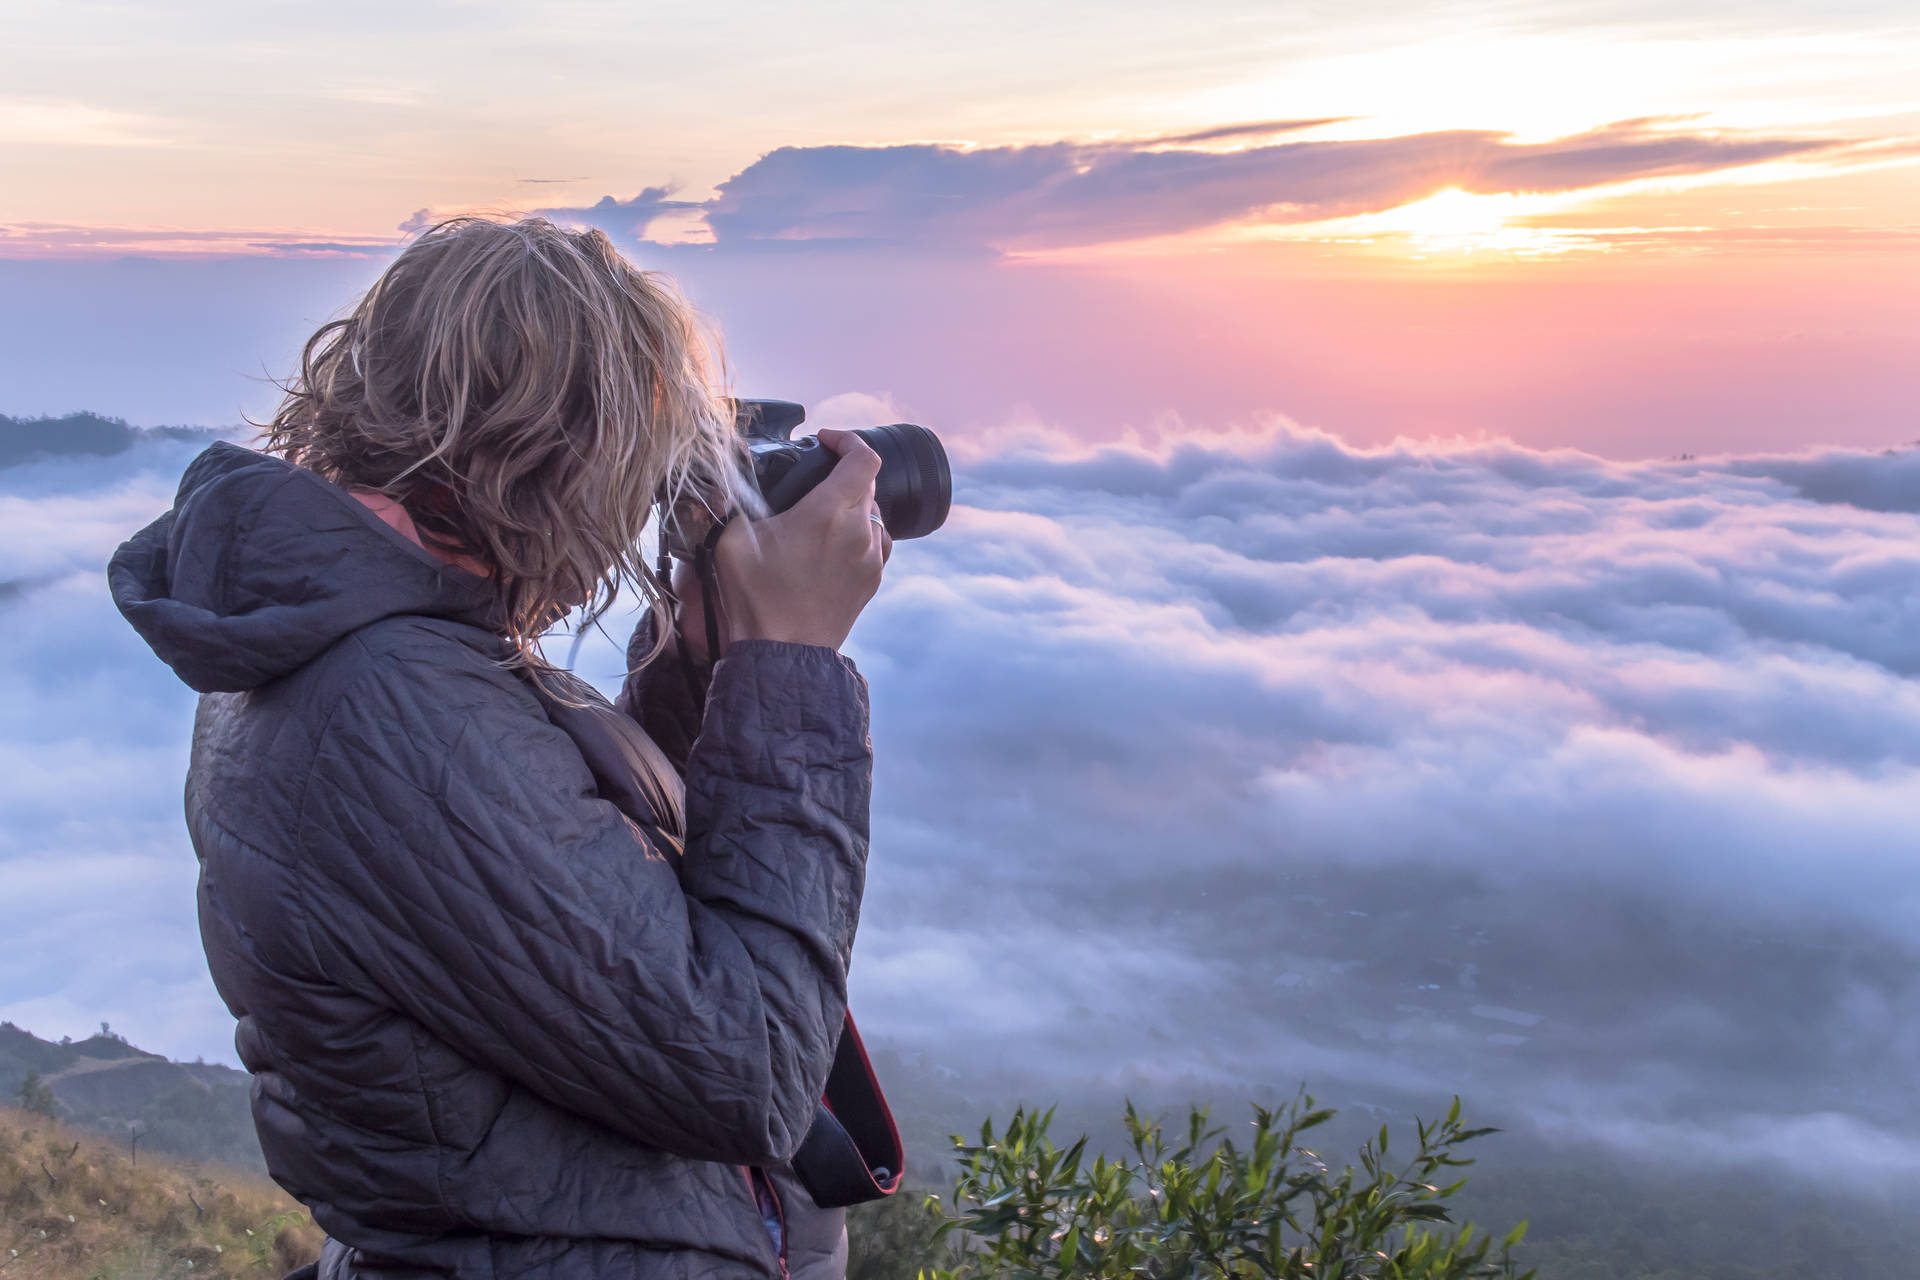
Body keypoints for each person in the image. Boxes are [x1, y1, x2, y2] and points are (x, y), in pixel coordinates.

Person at [108, 216, 890, 1279]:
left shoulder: (393, 646)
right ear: (556, 449)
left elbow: (586, 901)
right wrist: (790, 668)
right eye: (639, 458)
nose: (636, 509)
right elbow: (748, 1068)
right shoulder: (383, 701)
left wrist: (698, 673)